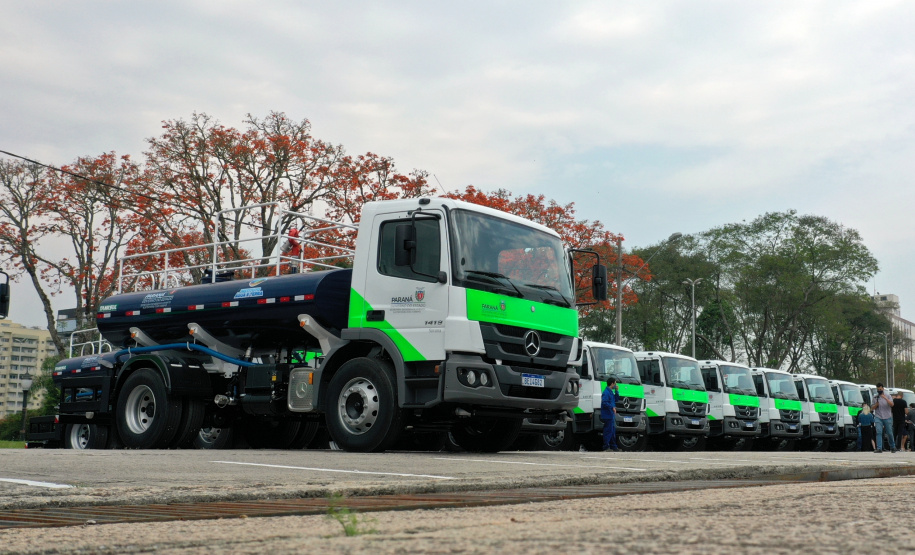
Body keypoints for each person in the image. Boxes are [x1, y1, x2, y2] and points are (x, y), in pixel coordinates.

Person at [871, 383, 897, 453]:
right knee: (879, 432)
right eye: (878, 389)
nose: (879, 390)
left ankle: (892, 446)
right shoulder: (875, 397)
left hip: (887, 417)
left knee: (889, 433)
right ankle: (879, 448)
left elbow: (892, 404)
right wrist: (876, 404)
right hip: (878, 416)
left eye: (880, 389)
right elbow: (871, 408)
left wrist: (885, 398)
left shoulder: (888, 396)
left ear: (883, 388)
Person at [600, 377, 619, 452]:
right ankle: (606, 446)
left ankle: (613, 446)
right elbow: (604, 402)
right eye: (615, 383)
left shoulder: (611, 392)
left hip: (611, 415)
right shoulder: (606, 392)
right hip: (607, 414)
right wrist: (612, 407)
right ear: (612, 384)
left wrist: (617, 391)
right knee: (608, 430)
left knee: (612, 431)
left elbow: (616, 399)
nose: (615, 385)